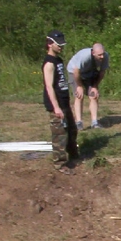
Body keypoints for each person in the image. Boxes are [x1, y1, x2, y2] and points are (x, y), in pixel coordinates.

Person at [42, 30, 78, 173]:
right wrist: (56, 108)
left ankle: (73, 154)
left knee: (72, 130)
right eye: (59, 44)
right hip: (56, 104)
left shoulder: (58, 61)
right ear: (50, 44)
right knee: (59, 134)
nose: (61, 47)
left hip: (64, 102)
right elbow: (49, 86)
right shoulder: (49, 63)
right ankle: (60, 164)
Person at [67, 43, 109, 130]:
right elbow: (76, 71)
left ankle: (94, 122)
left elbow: (102, 72)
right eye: (99, 55)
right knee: (79, 96)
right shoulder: (84, 56)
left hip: (89, 72)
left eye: (103, 54)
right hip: (74, 72)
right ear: (93, 53)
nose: (102, 56)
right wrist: (79, 86)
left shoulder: (105, 56)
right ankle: (79, 122)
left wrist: (95, 86)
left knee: (94, 96)